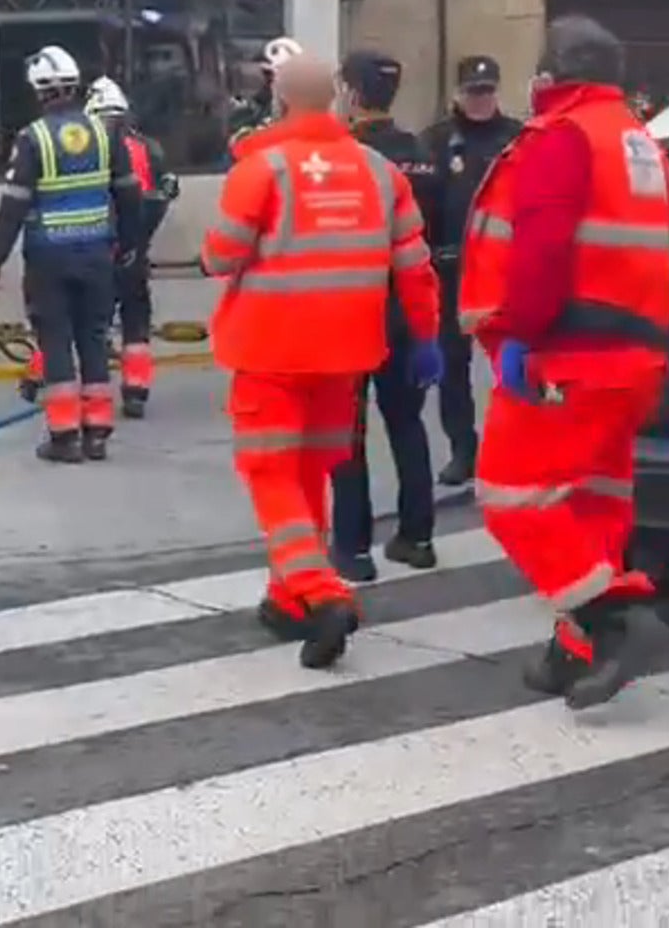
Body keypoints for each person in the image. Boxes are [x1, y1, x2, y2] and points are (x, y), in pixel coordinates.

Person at [458, 14, 669, 710]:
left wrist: (520, 333)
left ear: (553, 75)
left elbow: (544, 246)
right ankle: (574, 653)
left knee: (509, 495)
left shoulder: (563, 136)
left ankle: (614, 621)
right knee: (591, 503)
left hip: (568, 358)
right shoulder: (641, 141)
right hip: (633, 359)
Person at [202, 52, 439, 670]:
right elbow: (415, 266)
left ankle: (321, 591)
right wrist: (426, 335)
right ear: (336, 99)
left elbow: (221, 255)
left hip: (271, 350)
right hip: (347, 354)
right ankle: (287, 599)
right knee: (312, 469)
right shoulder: (380, 171)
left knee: (272, 472)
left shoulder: (263, 167)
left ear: (278, 101)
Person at [0, 45, 143, 463]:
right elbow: (128, 193)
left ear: (39, 92)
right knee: (93, 337)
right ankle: (97, 434)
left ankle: (64, 437)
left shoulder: (32, 138)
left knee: (55, 341)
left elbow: (15, 202)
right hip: (97, 255)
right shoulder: (107, 135)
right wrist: (129, 245)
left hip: (48, 259)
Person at [326, 51, 444, 581]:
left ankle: (352, 549)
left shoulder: (343, 156)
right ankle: (417, 537)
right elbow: (434, 240)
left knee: (345, 431)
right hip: (409, 308)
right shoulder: (422, 153)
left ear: (351, 92)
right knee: (407, 424)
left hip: (352, 309)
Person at [419, 55, 523, 486]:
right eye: (473, 92)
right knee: (452, 368)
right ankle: (464, 449)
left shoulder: (516, 137)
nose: (481, 100)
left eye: (487, 92)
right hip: (452, 272)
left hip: (506, 272)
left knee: (513, 363)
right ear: (458, 94)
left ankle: (516, 448)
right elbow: (424, 203)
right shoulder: (437, 140)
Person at [84, 76, 178, 418]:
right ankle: (136, 390)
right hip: (134, 250)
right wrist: (139, 240)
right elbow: (164, 194)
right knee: (136, 320)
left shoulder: (87, 147)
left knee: (82, 320)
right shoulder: (149, 148)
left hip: (98, 251)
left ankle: (53, 383)